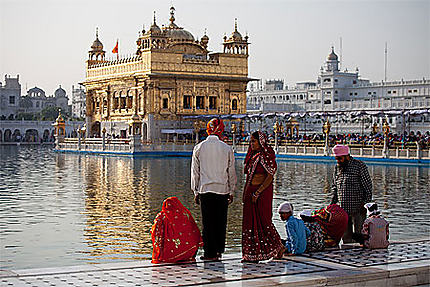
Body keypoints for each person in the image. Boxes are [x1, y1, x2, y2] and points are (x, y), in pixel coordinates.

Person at [191, 118, 236, 261]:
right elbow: (231, 172)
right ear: (221, 130)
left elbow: (195, 172)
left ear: (207, 130)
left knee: (207, 222)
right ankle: (219, 251)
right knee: (220, 222)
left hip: (205, 190)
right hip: (222, 190)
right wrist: (232, 190)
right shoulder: (227, 148)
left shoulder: (199, 147)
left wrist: (195, 191)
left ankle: (209, 252)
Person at [242, 131, 284, 262]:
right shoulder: (253, 156)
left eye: (254, 141)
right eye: (251, 141)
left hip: (261, 193)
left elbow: (270, 176)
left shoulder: (265, 157)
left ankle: (278, 247)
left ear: (261, 142)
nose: (252, 144)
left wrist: (258, 192)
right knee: (250, 222)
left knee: (263, 221)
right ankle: (251, 254)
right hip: (251, 192)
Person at [330, 144, 373, 243]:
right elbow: (334, 187)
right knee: (346, 238)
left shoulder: (359, 166)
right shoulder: (337, 168)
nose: (338, 161)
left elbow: (368, 187)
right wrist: (332, 204)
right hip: (343, 210)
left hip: (358, 209)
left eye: (340, 159)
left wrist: (365, 204)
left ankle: (361, 257)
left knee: (359, 236)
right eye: (336, 159)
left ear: (346, 156)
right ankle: (347, 257)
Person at [151, 197, 203, 264]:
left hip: (169, 252)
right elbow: (194, 230)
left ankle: (173, 256)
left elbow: (156, 232)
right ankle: (184, 255)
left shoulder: (162, 216)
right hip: (188, 251)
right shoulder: (185, 214)